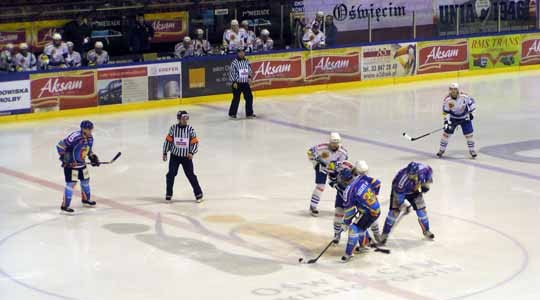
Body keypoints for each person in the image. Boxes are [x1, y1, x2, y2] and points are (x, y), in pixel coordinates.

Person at [379, 162, 434, 245]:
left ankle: (426, 230)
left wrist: (426, 184)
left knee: (422, 212)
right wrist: (403, 206)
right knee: (394, 213)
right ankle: (385, 234)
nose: (411, 177)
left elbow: (429, 173)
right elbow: (399, 198)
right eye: (409, 175)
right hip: (399, 192)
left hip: (414, 191)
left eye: (413, 175)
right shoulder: (401, 182)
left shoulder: (424, 169)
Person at [56, 120, 100, 213]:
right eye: (89, 129)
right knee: (71, 184)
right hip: (71, 166)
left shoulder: (90, 138)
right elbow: (60, 146)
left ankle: (86, 200)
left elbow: (89, 150)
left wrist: (93, 157)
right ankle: (65, 206)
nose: (90, 131)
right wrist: (65, 158)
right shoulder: (75, 137)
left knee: (86, 181)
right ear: (83, 129)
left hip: (82, 165)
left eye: (91, 129)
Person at [340, 168, 382, 262]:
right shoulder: (361, 178)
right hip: (376, 209)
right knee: (361, 226)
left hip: (369, 213)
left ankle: (348, 254)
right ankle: (364, 245)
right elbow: (377, 183)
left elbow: (350, 212)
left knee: (353, 229)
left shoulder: (348, 192)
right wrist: (373, 196)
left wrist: (346, 223)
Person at [162, 110, 203, 203]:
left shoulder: (190, 129)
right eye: (183, 118)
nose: (185, 120)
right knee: (170, 174)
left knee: (191, 175)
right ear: (179, 119)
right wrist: (165, 152)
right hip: (175, 157)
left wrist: (191, 152)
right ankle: (169, 193)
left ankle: (198, 193)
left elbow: (195, 142)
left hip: (186, 158)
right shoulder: (173, 128)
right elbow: (168, 141)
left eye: (187, 118)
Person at [306, 132, 348, 216]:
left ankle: (344, 206)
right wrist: (316, 158)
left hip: (334, 170)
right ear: (330, 142)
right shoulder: (322, 147)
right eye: (333, 143)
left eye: (336, 143)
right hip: (322, 168)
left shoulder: (343, 152)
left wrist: (336, 166)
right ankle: (313, 207)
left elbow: (343, 163)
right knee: (320, 186)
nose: (334, 145)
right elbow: (310, 152)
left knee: (342, 186)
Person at [437, 83, 477, 158]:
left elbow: (473, 105)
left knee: (469, 135)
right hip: (453, 119)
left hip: (465, 118)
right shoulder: (447, 100)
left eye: (455, 89)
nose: (453, 91)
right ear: (449, 90)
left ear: (457, 90)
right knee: (446, 134)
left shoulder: (465, 97)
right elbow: (445, 112)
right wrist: (446, 121)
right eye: (451, 89)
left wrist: (472, 115)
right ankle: (441, 150)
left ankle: (472, 150)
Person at [228, 48, 256, 119]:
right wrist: (234, 81)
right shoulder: (234, 62)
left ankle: (249, 113)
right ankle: (232, 114)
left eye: (243, 52)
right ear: (237, 53)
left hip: (245, 83)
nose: (242, 53)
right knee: (236, 98)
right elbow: (231, 72)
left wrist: (249, 77)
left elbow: (249, 70)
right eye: (240, 52)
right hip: (237, 83)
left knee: (249, 97)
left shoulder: (247, 61)